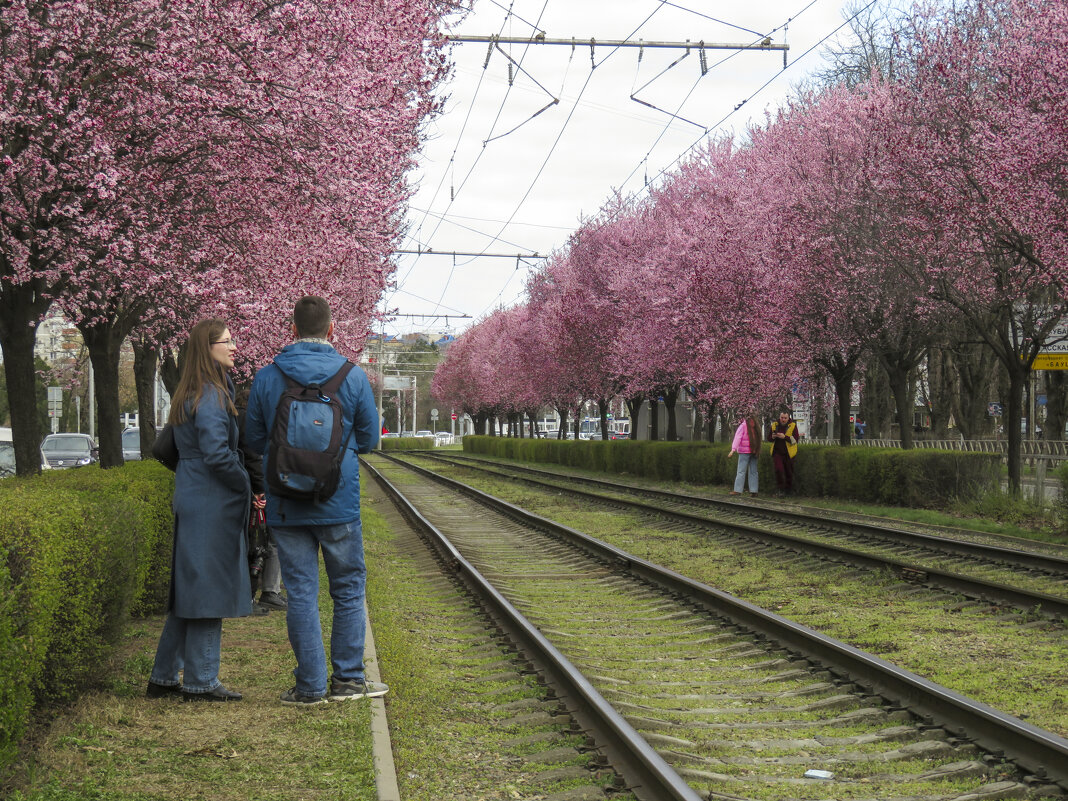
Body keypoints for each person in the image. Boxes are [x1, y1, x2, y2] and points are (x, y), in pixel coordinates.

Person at [245, 296, 385, 706]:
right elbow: (371, 440)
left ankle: (309, 687)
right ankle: (347, 681)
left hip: (286, 503)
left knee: (301, 592)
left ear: (291, 330)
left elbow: (253, 440)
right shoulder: (353, 376)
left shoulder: (268, 377)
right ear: (332, 330)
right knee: (347, 589)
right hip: (338, 500)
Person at [148, 319, 251, 702]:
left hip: (194, 491)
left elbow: (173, 450)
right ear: (207, 349)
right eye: (227, 341)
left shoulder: (190, 389)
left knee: (190, 589)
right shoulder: (211, 394)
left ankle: (162, 676)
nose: (234, 346)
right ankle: (201, 680)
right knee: (207, 588)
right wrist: (243, 481)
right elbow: (216, 452)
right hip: (212, 498)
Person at [727, 414, 762, 497]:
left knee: (741, 471)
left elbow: (738, 438)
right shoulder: (757, 426)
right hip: (754, 451)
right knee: (753, 472)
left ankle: (738, 490)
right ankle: (754, 491)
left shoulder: (743, 426)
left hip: (744, 451)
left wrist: (733, 449)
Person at [769, 410, 801, 495]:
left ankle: (789, 490)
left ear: (788, 418)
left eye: (785, 418)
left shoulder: (793, 426)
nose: (783, 420)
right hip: (777, 452)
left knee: (789, 471)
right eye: (782, 418)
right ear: (779, 417)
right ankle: (780, 489)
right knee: (779, 469)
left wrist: (785, 437)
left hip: (789, 453)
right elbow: (769, 438)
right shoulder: (774, 425)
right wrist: (772, 437)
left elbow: (796, 440)